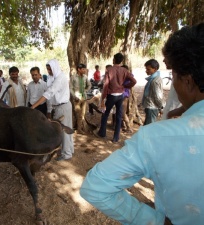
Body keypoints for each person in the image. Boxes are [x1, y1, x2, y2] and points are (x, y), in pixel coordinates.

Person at [80, 23, 204, 225]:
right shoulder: (126, 72)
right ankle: (116, 135)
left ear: (188, 81)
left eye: (174, 77)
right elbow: (132, 80)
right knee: (118, 118)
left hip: (113, 95)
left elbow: (95, 187)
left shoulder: (155, 137)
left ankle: (104, 133)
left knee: (106, 117)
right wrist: (126, 89)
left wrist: (105, 97)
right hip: (122, 95)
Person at [31, 59, 74, 161]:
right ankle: (68, 150)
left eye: (50, 69)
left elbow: (48, 93)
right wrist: (49, 110)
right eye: (48, 69)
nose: (49, 71)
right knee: (66, 129)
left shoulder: (60, 78)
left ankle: (66, 154)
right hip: (60, 106)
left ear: (55, 67)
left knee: (63, 131)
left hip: (62, 107)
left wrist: (33, 106)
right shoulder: (54, 77)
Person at [94, 53, 136, 143]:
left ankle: (102, 133)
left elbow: (105, 85)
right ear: (121, 61)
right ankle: (116, 137)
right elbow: (134, 81)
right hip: (120, 95)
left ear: (114, 60)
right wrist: (126, 86)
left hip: (112, 95)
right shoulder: (124, 70)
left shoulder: (109, 70)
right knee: (119, 115)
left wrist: (103, 99)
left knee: (105, 114)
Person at [70, 63, 91, 134]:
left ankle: (80, 128)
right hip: (76, 99)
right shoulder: (73, 77)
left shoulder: (85, 77)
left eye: (85, 69)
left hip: (84, 98)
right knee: (77, 113)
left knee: (82, 114)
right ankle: (74, 128)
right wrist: (74, 96)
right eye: (83, 69)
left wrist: (85, 91)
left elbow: (89, 85)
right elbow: (70, 88)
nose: (84, 70)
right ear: (79, 69)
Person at [142, 59, 164, 125]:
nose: (146, 71)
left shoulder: (155, 81)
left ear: (155, 69)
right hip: (149, 107)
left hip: (152, 108)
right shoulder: (153, 79)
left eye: (148, 69)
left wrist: (161, 107)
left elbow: (158, 96)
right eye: (146, 69)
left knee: (149, 129)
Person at [121, 65, 134, 133]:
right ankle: (124, 125)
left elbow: (133, 82)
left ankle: (128, 127)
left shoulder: (127, 76)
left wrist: (125, 86)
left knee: (123, 112)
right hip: (124, 95)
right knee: (122, 112)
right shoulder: (129, 75)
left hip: (124, 95)